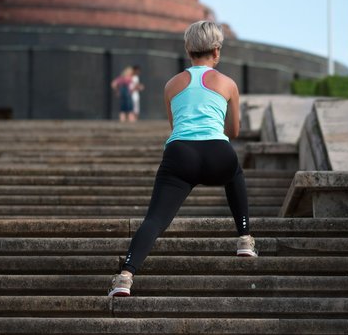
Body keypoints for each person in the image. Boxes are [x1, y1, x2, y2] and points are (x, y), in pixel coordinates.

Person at [108, 21, 257, 297]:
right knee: (234, 173)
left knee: (155, 219)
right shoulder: (228, 84)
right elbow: (234, 131)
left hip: (180, 154)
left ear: (188, 50)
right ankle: (245, 239)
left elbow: (175, 126)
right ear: (217, 50)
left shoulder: (171, 85)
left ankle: (125, 276)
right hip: (217, 152)